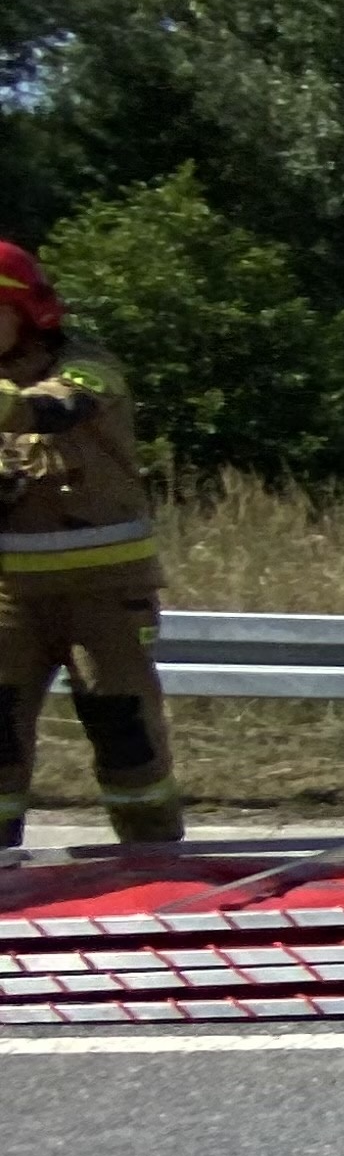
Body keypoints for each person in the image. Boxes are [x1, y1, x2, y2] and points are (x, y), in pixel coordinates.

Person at [0, 239, 180, 848]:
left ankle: (155, 863)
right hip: (9, 598)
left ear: (26, 312)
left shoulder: (87, 365)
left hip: (105, 594)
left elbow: (61, 407)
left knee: (124, 732)